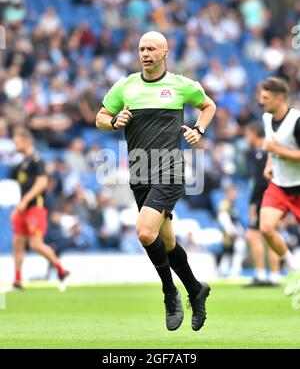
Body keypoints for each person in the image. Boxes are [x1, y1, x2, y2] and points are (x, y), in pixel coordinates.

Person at [96, 31, 216, 331]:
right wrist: (113, 121)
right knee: (167, 241)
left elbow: (208, 106)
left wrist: (198, 131)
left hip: (170, 170)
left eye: (151, 48)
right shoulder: (126, 86)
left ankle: (169, 292)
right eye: (141, 48)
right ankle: (195, 288)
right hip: (139, 173)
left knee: (144, 232)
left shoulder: (180, 85)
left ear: (165, 53)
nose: (145, 53)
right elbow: (100, 116)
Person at [10, 126, 69, 290]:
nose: (14, 145)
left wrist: (25, 201)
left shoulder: (37, 160)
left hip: (36, 208)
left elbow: (42, 183)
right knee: (18, 242)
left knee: (35, 244)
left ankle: (61, 270)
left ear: (26, 141)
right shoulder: (21, 164)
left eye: (17, 141)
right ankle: (17, 279)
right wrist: (18, 208)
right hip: (24, 209)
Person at [259, 77, 300, 294]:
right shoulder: (267, 118)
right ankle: (293, 265)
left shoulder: (297, 120)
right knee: (265, 227)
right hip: (279, 185)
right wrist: (269, 163)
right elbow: (271, 144)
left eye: (266, 98)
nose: (261, 101)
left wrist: (275, 151)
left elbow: (274, 146)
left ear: (280, 98)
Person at [244, 122, 280, 287]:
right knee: (271, 235)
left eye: (247, 135)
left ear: (253, 134)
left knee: (253, 235)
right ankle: (274, 276)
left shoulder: (260, 153)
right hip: (274, 196)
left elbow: (259, 182)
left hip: (263, 198)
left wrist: (253, 203)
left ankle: (260, 275)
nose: (246, 138)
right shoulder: (269, 151)